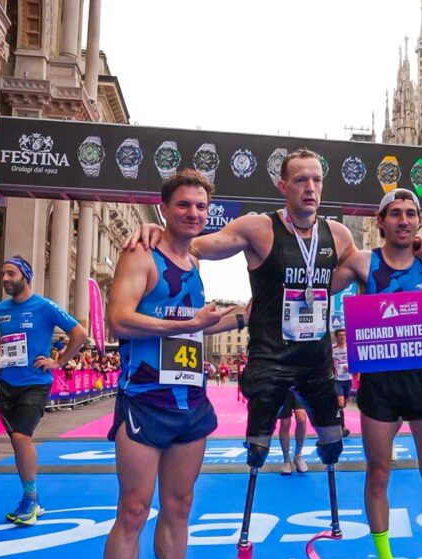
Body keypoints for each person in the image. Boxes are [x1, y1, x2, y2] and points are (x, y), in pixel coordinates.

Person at [128, 150, 355, 485]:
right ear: (283, 186)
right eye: (300, 180)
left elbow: (370, 266)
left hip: (316, 360)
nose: (310, 188)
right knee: (257, 450)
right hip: (270, 360)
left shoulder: (338, 235)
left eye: (316, 180)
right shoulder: (258, 228)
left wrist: (413, 246)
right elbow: (195, 246)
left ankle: (306, 458)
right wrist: (158, 231)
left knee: (333, 445)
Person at [99, 169, 242, 559]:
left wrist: (242, 315)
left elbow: (200, 324)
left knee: (179, 507)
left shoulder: (194, 257)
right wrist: (187, 322)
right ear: (165, 208)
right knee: (134, 510)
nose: (194, 214)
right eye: (184, 205)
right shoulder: (143, 253)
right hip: (144, 400)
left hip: (190, 401)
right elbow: (119, 318)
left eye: (201, 207)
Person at [331, 188, 422, 559]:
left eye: (411, 214)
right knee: (378, 473)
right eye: (395, 214)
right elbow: (317, 274)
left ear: (420, 223)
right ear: (380, 221)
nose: (403, 220)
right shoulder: (362, 263)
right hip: (380, 385)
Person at [0, 256, 87, 526]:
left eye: (11, 273)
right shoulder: (1, 309)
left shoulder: (45, 307)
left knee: (22, 438)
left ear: (25, 276)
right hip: (7, 385)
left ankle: (31, 499)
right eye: (3, 274)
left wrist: (58, 362)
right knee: (16, 441)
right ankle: (31, 497)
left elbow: (79, 333)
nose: (5, 279)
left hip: (35, 383)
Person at [277, 389, 309, 475]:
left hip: (298, 386)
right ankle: (286, 460)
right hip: (283, 387)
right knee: (285, 423)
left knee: (302, 419)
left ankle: (298, 456)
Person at [332, 329, 353, 438]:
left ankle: (336, 420)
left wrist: (351, 367)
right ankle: (342, 427)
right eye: (340, 335)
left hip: (348, 379)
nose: (342, 337)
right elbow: (327, 362)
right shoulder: (333, 348)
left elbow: (355, 360)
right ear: (336, 337)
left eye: (344, 335)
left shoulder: (350, 347)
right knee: (340, 403)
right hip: (337, 380)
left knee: (343, 404)